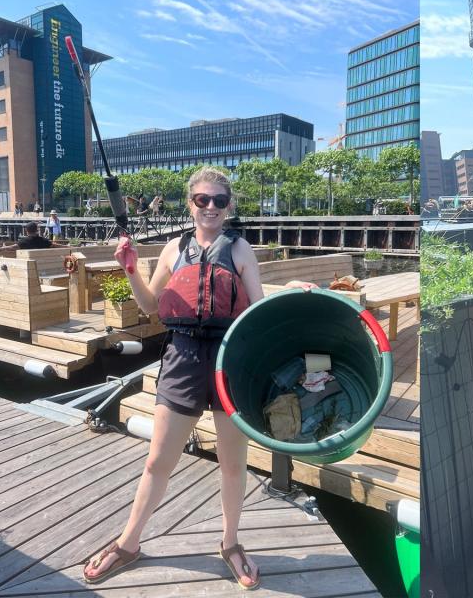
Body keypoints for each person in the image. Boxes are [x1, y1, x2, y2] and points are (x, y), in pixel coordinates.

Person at [81, 167, 318, 589]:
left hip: (232, 358)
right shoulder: (173, 249)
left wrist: (289, 292)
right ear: (189, 203)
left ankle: (229, 543)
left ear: (229, 207)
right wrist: (131, 269)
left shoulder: (241, 250)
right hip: (183, 357)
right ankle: (129, 543)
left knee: (232, 462)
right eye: (202, 200)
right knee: (157, 461)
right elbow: (151, 307)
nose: (210, 207)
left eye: (219, 201)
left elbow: (255, 308)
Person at [0, 221, 68, 250]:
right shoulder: (44, 241)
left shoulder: (23, 242)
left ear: (27, 231)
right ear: (37, 230)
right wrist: (70, 247)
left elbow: (11, 247)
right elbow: (56, 245)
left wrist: (0, 248)